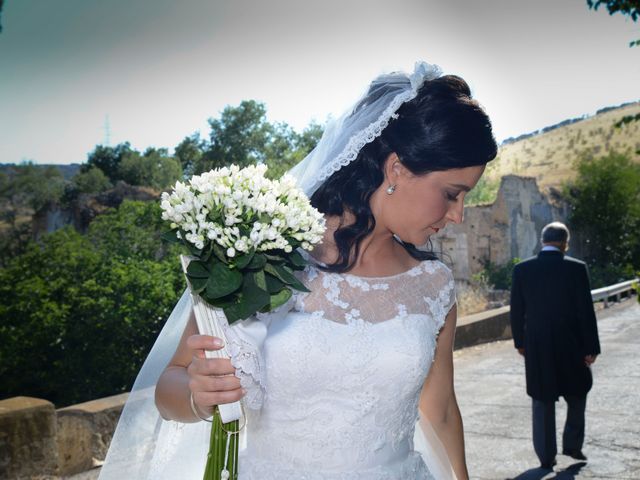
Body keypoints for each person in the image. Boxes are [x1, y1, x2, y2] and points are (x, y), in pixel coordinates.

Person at [99, 62, 498, 480]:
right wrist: (199, 396)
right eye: (451, 195)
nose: (458, 215)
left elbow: (441, 411)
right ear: (396, 168)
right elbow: (170, 389)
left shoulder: (432, 285)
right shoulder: (264, 254)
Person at [510, 221, 601, 470]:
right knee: (578, 392)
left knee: (542, 400)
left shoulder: (522, 270)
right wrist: (591, 348)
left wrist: (520, 342)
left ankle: (545, 457)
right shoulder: (577, 269)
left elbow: (517, 311)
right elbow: (586, 312)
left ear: (542, 241)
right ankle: (572, 445)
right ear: (565, 243)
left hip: (538, 347)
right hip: (571, 344)